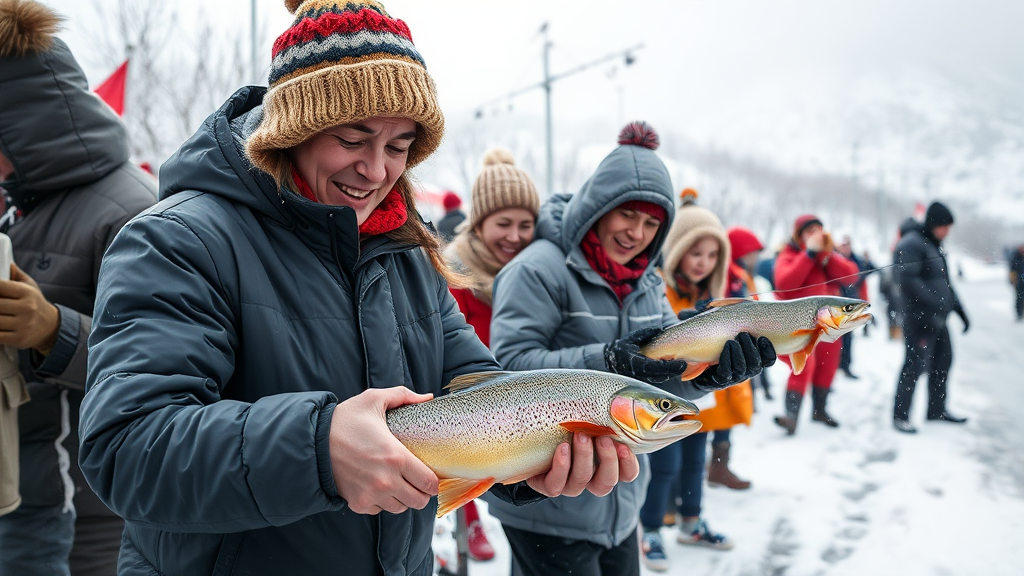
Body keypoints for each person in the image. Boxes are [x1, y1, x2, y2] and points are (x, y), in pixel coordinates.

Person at [77, 3, 639, 575]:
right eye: (353, 139)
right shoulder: (178, 240)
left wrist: (538, 449)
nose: (376, 170)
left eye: (399, 147)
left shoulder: (407, 254)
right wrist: (318, 449)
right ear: (292, 131)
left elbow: (475, 389)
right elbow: (127, 447)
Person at [484, 122, 775, 576]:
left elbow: (657, 376)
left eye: (651, 223)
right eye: (627, 215)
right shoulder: (537, 270)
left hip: (621, 501)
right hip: (547, 497)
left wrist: (705, 375)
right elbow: (506, 373)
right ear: (599, 207)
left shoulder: (647, 282)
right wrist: (606, 360)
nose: (636, 233)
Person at [0, 2, 158, 574]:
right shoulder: (25, 207)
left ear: (17, 122)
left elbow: (165, 370)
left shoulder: (133, 212)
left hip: (85, 518)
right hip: (27, 494)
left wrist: (50, 330)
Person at [636, 195, 755, 571]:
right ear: (676, 253)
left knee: (694, 463)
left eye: (711, 255)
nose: (703, 263)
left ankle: (691, 521)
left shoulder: (716, 296)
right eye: (695, 254)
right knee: (664, 466)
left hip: (702, 397)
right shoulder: (660, 292)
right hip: (665, 398)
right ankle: (651, 528)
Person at [443, 147, 540, 563]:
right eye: (503, 224)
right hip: (472, 389)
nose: (515, 236)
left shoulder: (535, 272)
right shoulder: (454, 273)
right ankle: (470, 519)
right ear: (479, 224)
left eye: (525, 225)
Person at [773, 214, 860, 435]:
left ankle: (819, 410)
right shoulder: (789, 255)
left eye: (818, 231)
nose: (815, 235)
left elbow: (851, 275)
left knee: (828, 365)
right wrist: (808, 254)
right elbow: (784, 284)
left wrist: (827, 255)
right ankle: (791, 417)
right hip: (798, 324)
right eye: (810, 231)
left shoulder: (826, 257)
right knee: (804, 365)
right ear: (799, 235)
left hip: (827, 323)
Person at [892, 201, 969, 433]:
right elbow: (907, 280)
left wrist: (960, 311)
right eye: (945, 226)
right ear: (934, 223)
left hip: (938, 318)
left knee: (943, 361)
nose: (947, 231)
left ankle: (936, 410)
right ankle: (900, 415)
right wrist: (936, 302)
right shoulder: (911, 244)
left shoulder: (934, 246)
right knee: (914, 366)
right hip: (919, 318)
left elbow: (945, 283)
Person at [728, 225, 773, 401]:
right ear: (742, 252)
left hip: (753, 328)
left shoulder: (744, 274)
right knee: (750, 366)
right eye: (753, 252)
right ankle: (753, 397)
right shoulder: (735, 274)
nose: (756, 258)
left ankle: (761, 391)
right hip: (743, 333)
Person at [836, 235, 870, 379]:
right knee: (834, 339)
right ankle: (834, 369)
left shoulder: (856, 260)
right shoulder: (834, 260)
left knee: (848, 338)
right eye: (842, 245)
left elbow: (869, 269)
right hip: (835, 306)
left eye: (847, 245)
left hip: (850, 304)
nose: (845, 248)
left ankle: (846, 366)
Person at [1010, 244, 1024, 322]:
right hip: (1019, 282)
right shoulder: (1016, 258)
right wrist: (1012, 280)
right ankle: (1019, 314)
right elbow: (1012, 270)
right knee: (1019, 298)